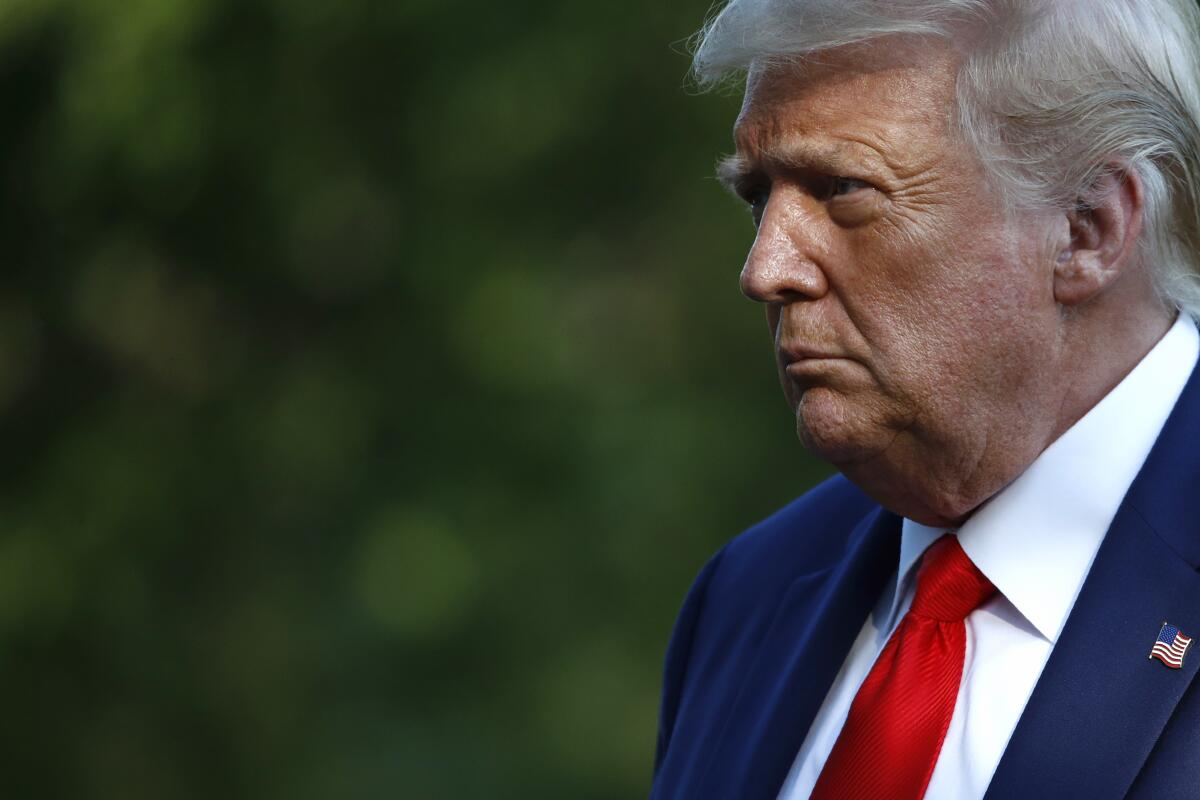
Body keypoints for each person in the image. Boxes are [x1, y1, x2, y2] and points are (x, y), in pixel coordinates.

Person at [650, 2, 1200, 799]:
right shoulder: (747, 597)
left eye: (842, 189)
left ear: (1087, 228)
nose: (764, 269)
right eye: (757, 199)